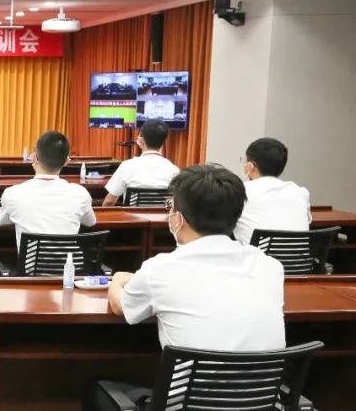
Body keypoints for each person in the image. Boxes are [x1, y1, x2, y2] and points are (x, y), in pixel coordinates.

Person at [89, 164, 284, 411]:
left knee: (95, 389)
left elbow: (120, 307)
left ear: (179, 219)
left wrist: (118, 278)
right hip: (261, 405)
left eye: (170, 208)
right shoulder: (270, 267)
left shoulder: (160, 269)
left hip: (187, 406)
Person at [0, 131, 96, 245]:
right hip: (69, 257)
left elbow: (2, 222)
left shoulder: (12, 193)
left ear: (34, 157)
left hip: (30, 258)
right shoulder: (80, 193)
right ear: (66, 161)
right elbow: (90, 222)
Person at [233, 137, 311, 244]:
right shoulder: (300, 192)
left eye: (245, 160)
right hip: (299, 255)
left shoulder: (240, 190)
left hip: (256, 255)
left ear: (251, 166)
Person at [101, 119, 180, 206]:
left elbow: (109, 201)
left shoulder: (127, 166)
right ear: (163, 141)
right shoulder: (174, 170)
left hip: (132, 215)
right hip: (162, 215)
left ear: (141, 141)